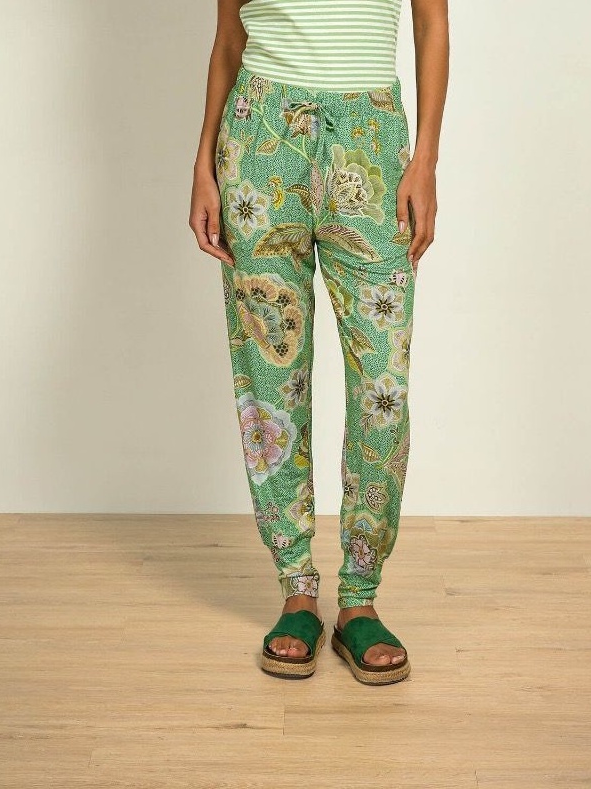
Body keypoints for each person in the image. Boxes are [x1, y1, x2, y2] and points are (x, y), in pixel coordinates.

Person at [189, 0, 449, 685]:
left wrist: (425, 159)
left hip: (371, 134)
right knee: (269, 378)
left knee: (382, 386)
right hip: (259, 138)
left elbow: (431, 22)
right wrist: (203, 164)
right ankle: (296, 586)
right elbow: (228, 38)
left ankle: (359, 596)